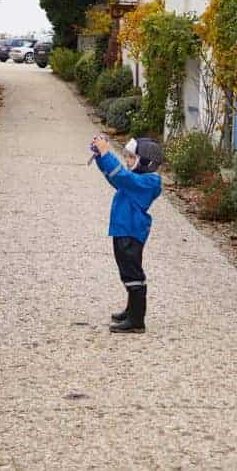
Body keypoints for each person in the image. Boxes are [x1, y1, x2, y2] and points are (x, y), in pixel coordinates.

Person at [90, 135, 163, 333]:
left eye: (132, 157)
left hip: (131, 233)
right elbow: (115, 177)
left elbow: (122, 176)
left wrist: (107, 153)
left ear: (146, 162)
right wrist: (100, 157)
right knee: (126, 272)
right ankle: (132, 310)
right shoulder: (136, 180)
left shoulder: (148, 182)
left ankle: (137, 320)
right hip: (124, 231)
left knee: (132, 273)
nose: (127, 161)